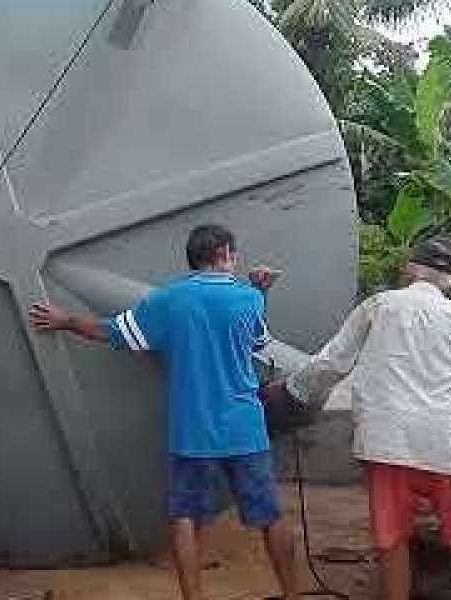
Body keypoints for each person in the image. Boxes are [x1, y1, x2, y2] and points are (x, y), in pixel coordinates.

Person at [29, 224, 299, 600]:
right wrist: (260, 292)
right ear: (223, 254)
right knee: (271, 515)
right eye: (233, 256)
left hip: (192, 431)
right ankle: (292, 593)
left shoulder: (169, 300)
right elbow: (256, 340)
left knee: (186, 518)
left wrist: (66, 320)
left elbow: (111, 333)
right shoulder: (248, 298)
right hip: (244, 428)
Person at [279, 238, 451, 600]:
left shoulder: (379, 306)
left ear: (409, 269)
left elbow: (331, 362)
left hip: (386, 443)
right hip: (445, 444)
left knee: (392, 542)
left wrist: (294, 393)